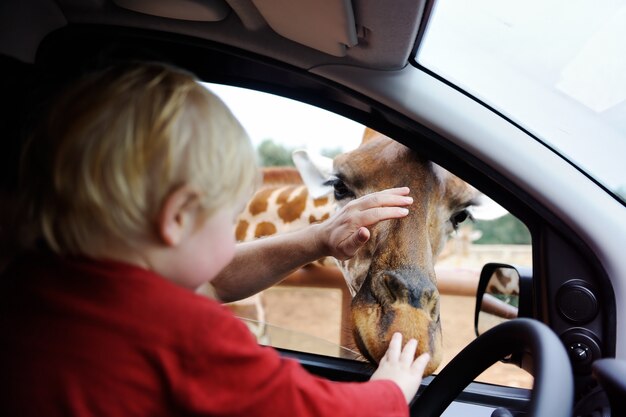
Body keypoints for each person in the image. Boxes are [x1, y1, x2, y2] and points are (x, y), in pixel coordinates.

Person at [0, 62, 430, 417]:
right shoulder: (186, 334)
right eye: (228, 218)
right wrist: (391, 391)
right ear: (178, 217)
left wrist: (319, 239)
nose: (233, 231)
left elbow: (209, 279)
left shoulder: (25, 287)